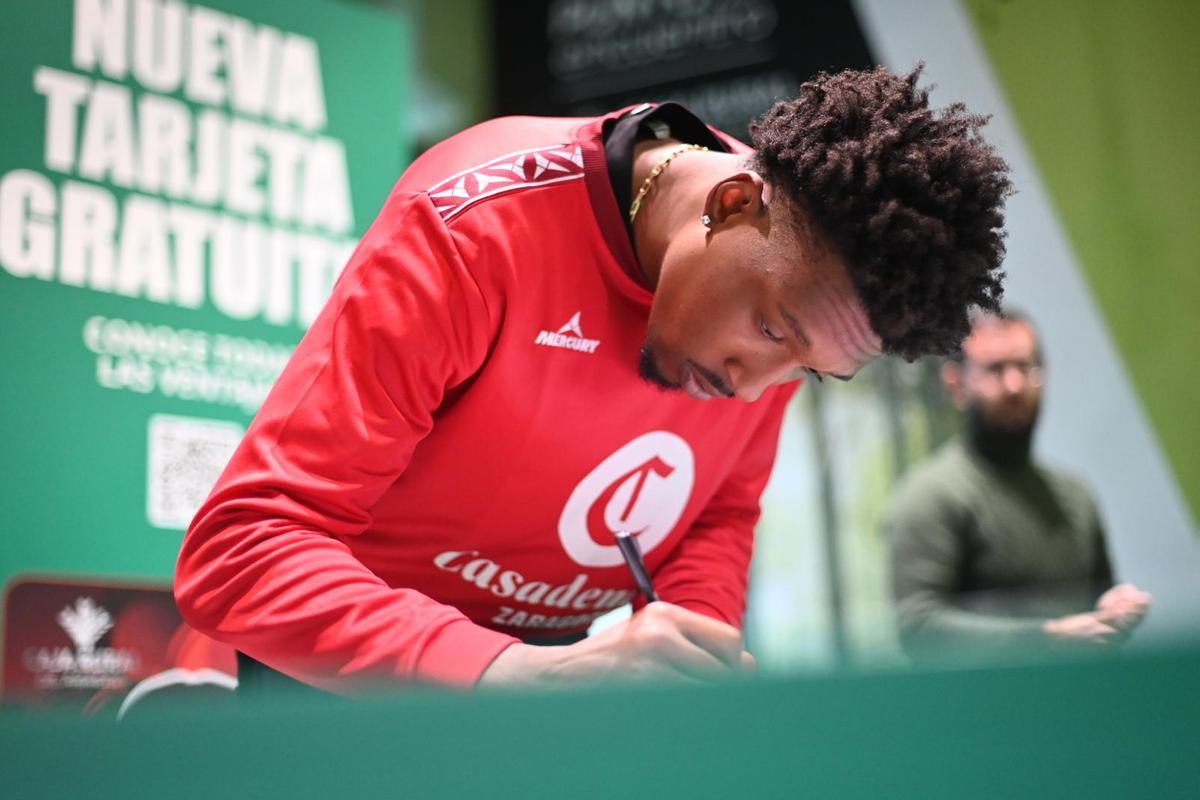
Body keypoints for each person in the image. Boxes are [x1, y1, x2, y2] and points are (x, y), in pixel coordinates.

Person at [175, 66, 1012, 694]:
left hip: (551, 695)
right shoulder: (472, 230)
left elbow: (716, 510)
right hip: (345, 684)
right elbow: (240, 553)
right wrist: (504, 671)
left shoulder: (799, 273)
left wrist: (692, 652)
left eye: (809, 371)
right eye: (769, 330)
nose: (757, 388)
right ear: (727, 204)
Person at [885, 309, 1151, 664]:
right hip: (979, 716)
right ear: (957, 385)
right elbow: (920, 629)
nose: (1014, 384)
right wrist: (1050, 637)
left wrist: (1112, 610)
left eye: (1025, 367)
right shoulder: (931, 496)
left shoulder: (1074, 496)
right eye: (995, 370)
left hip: (1074, 712)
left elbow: (1094, 605)